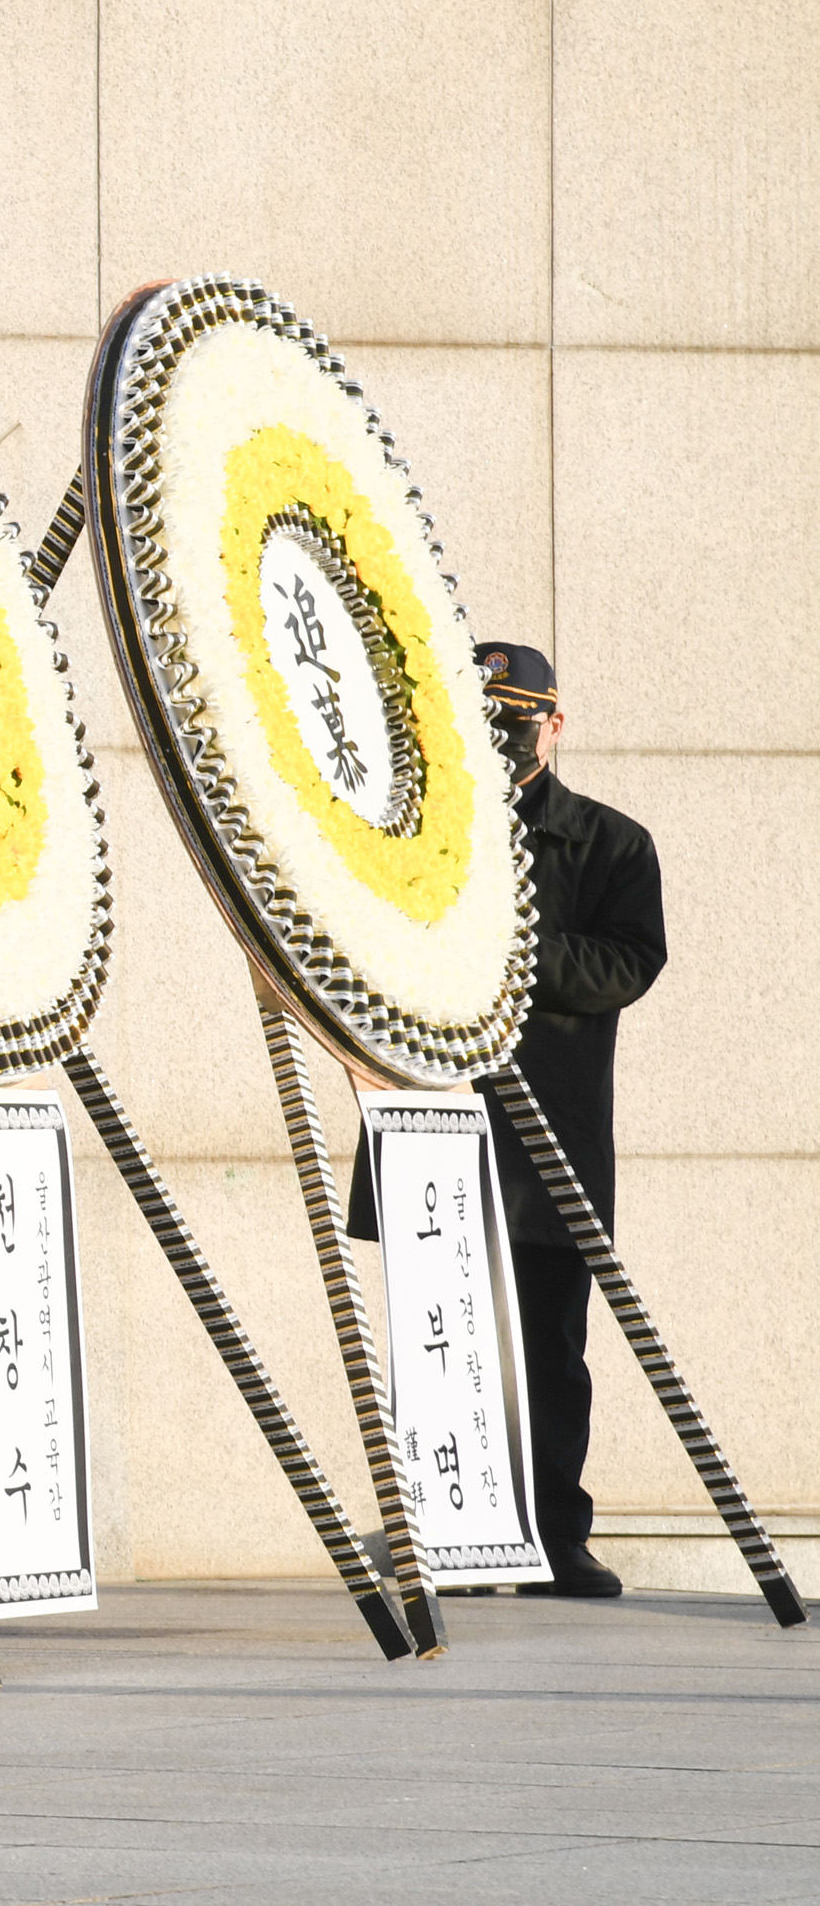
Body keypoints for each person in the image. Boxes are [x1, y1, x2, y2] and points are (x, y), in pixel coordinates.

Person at [477, 640, 665, 1600]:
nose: (503, 742)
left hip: (551, 1129)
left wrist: (506, 948)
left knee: (551, 1347)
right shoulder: (419, 839)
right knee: (447, 1343)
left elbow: (628, 963)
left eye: (518, 723)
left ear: (555, 722)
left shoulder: (611, 844)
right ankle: (452, 1538)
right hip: (440, 1124)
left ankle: (555, 1537)